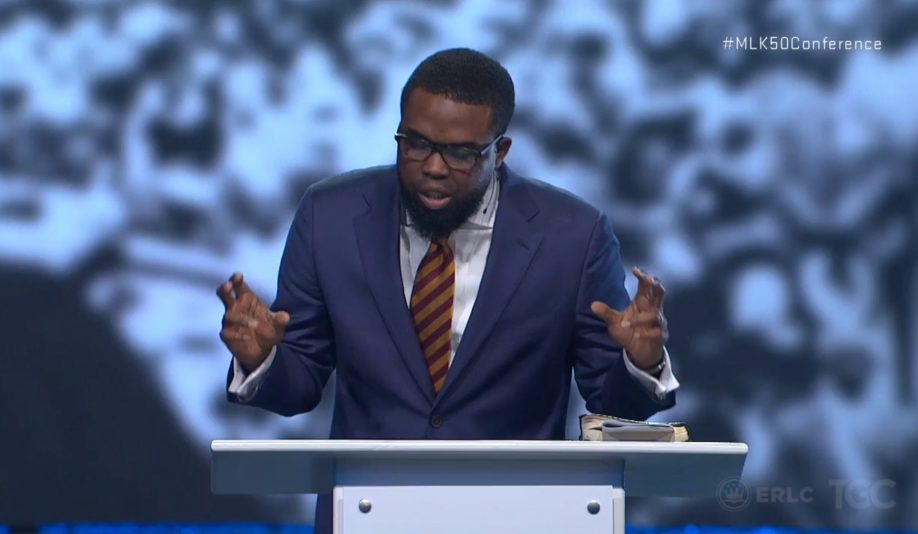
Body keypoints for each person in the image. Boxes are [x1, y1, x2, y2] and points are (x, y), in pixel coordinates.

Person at [216, 48, 679, 534]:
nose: (433, 167)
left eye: (459, 153)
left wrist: (641, 363)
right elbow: (300, 385)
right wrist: (263, 360)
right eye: (415, 144)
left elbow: (612, 402)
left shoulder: (572, 235)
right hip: (367, 515)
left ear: (500, 152)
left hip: (518, 518)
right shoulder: (330, 216)